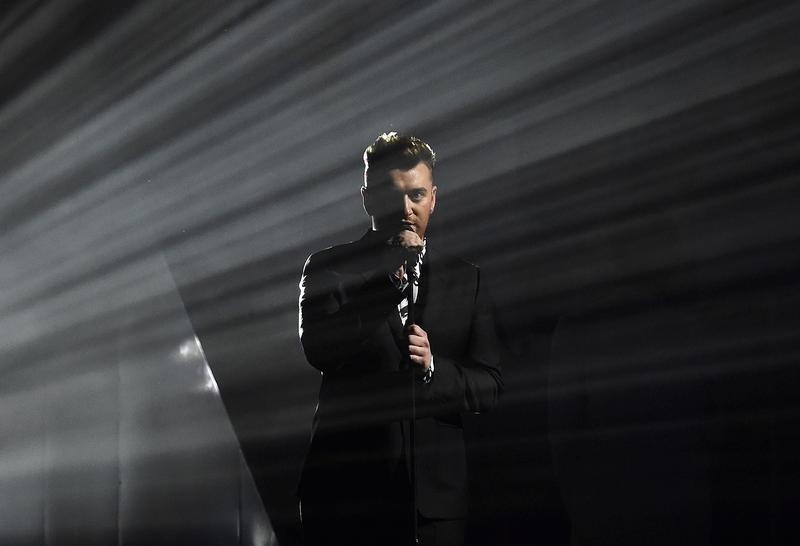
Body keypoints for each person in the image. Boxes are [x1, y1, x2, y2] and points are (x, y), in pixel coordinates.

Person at [297, 132, 503, 546]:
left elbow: (491, 384)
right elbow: (319, 350)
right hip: (347, 500)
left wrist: (433, 369)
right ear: (368, 199)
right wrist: (386, 282)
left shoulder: (465, 278)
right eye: (393, 197)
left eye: (417, 195)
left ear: (433, 199)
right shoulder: (329, 269)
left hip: (435, 509)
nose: (406, 209)